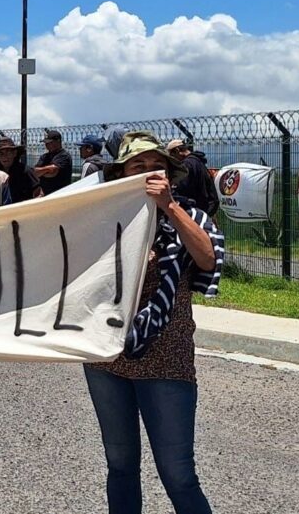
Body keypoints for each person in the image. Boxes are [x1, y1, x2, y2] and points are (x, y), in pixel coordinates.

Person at [84, 131, 223, 514]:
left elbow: (207, 259)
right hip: (106, 357)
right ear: (121, 174)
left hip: (166, 359)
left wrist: (169, 207)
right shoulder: (102, 220)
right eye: (138, 166)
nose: (149, 173)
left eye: (157, 166)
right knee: (120, 465)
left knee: (179, 474)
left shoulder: (189, 216)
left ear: (169, 174)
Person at [167, 140, 220, 217]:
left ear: (177, 150)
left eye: (172, 155)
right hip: (207, 207)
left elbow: (182, 190)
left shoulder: (187, 165)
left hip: (196, 210)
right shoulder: (198, 161)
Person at [0, 137, 42, 203]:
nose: (5, 157)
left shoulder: (25, 171)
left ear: (14, 153)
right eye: (1, 154)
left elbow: (39, 195)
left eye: (8, 153)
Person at [34, 129, 73, 195]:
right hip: (44, 195)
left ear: (58, 141)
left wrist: (41, 173)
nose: (47, 145)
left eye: (50, 142)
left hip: (60, 194)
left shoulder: (64, 156)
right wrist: (47, 170)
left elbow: (53, 171)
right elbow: (34, 173)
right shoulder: (44, 157)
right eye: (46, 143)